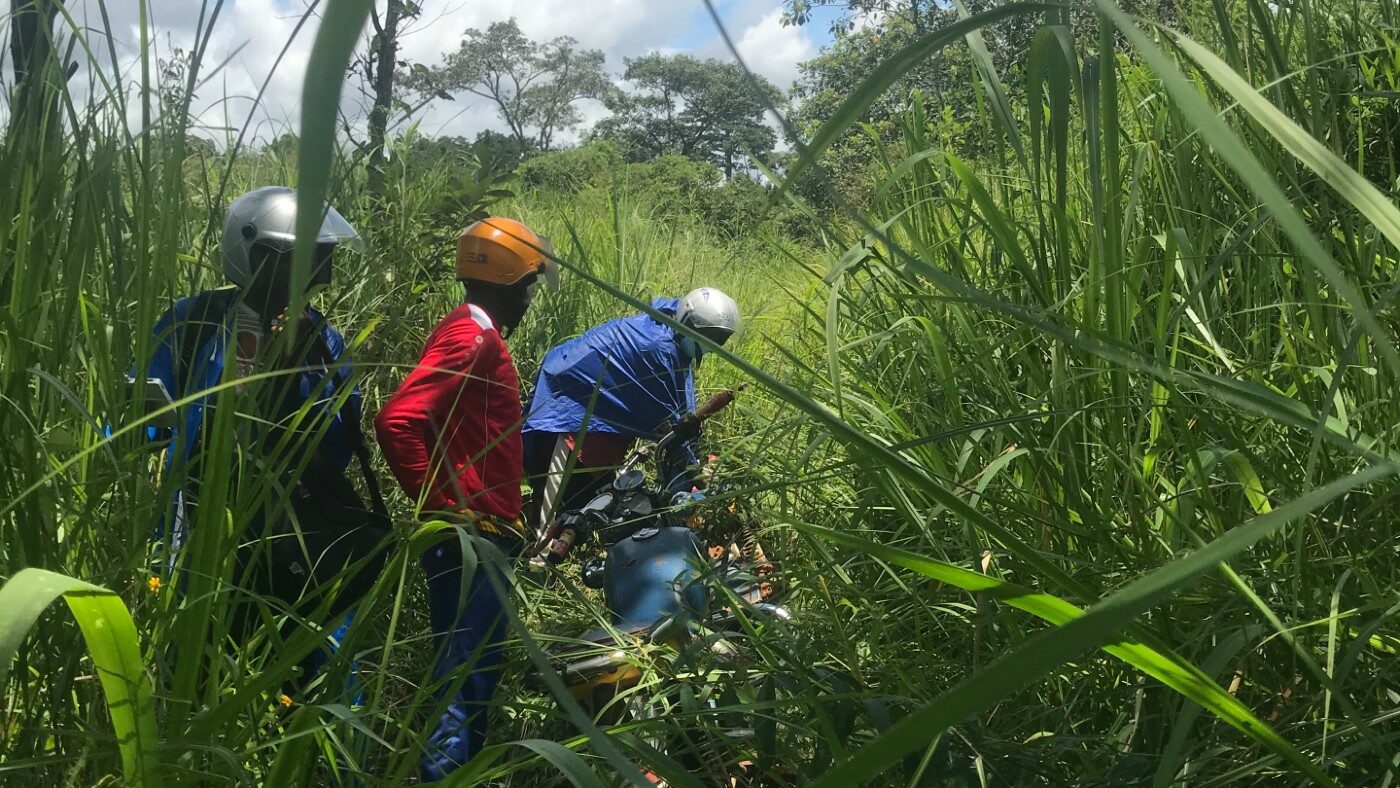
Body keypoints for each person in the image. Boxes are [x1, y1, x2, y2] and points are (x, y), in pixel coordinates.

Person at [142, 185, 373, 674]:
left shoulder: (320, 337)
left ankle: (319, 744)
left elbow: (338, 438)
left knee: (320, 648)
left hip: (292, 515)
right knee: (191, 640)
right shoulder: (196, 321)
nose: (308, 274)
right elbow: (145, 414)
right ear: (251, 253)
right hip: (199, 509)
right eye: (291, 259)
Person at [374, 216, 556, 781]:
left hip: (484, 530)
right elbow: (397, 420)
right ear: (507, 285)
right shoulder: (472, 337)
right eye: (528, 287)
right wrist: (441, 506)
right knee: (465, 676)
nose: (529, 301)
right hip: (472, 536)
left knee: (473, 673)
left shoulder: (471, 330)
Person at [522, 287, 741, 530]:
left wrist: (695, 465)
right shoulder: (658, 349)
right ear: (691, 324)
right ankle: (534, 564)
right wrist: (697, 477)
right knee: (556, 522)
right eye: (712, 338)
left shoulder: (673, 336)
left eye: (720, 340)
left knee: (592, 511)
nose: (715, 346)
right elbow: (672, 429)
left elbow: (684, 413)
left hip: (600, 429)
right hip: (565, 415)